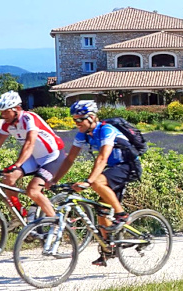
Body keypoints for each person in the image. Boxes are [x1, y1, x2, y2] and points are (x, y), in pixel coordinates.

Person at [49, 100, 138, 267]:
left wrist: (89, 181)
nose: (76, 123)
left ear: (91, 118)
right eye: (74, 119)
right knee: (102, 212)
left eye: (79, 120)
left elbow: (102, 157)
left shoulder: (106, 130)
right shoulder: (83, 135)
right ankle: (108, 250)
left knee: (97, 182)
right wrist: (54, 180)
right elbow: (69, 159)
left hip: (127, 165)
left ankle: (122, 215)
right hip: (113, 169)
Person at [0, 91, 65, 225]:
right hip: (35, 158)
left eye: (6, 112)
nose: (3, 115)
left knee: (33, 191)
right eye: (1, 112)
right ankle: (20, 215)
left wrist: (17, 164)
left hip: (53, 157)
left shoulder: (29, 118)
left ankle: (58, 224)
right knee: (8, 178)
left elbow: (30, 143)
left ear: (17, 109)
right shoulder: (8, 125)